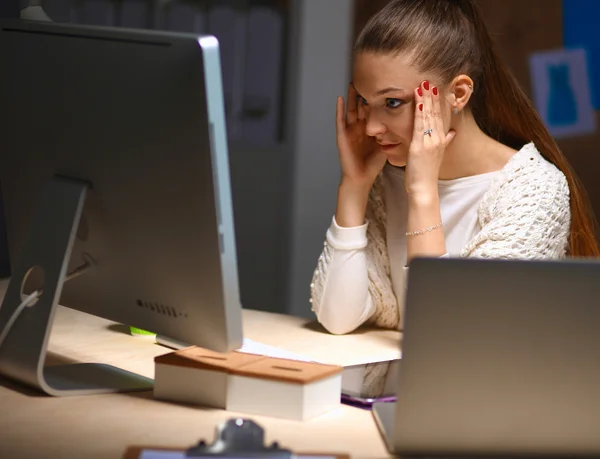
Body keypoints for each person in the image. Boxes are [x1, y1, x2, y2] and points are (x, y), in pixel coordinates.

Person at [309, 0, 600, 336]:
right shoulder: (383, 180)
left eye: (392, 103)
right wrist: (354, 187)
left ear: (458, 93)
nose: (372, 127)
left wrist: (422, 194)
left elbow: (447, 335)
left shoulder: (534, 191)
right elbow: (337, 318)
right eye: (364, 101)